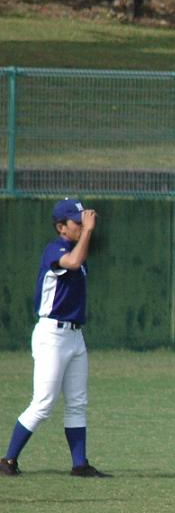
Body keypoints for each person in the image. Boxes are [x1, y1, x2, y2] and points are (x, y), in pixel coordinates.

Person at [1, 200, 111, 478]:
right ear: (61, 227)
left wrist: (86, 233)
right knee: (44, 403)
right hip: (52, 335)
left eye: (83, 222)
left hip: (75, 336)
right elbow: (73, 262)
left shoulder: (77, 249)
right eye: (77, 222)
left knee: (77, 402)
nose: (82, 226)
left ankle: (79, 464)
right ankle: (8, 460)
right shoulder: (55, 249)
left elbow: (79, 258)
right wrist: (88, 232)